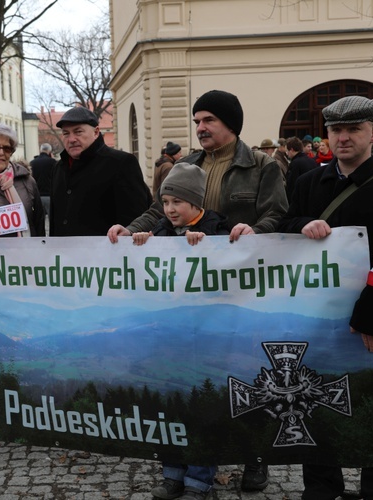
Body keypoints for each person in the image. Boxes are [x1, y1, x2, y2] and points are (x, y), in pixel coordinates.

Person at [108, 89, 288, 492]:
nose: (200, 128)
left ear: (230, 123)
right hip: (189, 293)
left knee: (244, 370)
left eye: (208, 120)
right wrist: (130, 230)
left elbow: (276, 212)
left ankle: (254, 457)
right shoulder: (187, 164)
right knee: (196, 378)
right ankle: (186, 464)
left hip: (240, 287)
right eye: (196, 121)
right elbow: (159, 211)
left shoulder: (261, 165)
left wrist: (252, 232)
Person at [278, 96, 373, 499]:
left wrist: (372, 319)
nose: (342, 137)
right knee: (313, 401)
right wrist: (304, 224)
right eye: (336, 130)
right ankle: (321, 488)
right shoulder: (309, 183)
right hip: (316, 317)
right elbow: (285, 226)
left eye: (353, 129)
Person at [135, 163, 229, 500]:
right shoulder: (161, 229)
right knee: (170, 403)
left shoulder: (216, 226)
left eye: (177, 202)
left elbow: (232, 259)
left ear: (195, 202)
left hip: (204, 337)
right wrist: (144, 241)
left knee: (201, 410)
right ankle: (173, 474)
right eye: (166, 202)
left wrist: (207, 245)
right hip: (169, 337)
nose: (170, 209)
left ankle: (199, 481)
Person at [49, 107, 152, 236]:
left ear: (96, 132)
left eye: (78, 132)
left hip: (109, 252)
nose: (71, 139)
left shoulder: (121, 163)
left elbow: (135, 219)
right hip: (64, 254)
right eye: (66, 133)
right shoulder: (58, 168)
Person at [285, 136, 318, 202]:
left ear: (291, 149)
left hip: (300, 200)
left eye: (287, 150)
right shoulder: (312, 161)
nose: (287, 153)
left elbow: (291, 185)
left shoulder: (295, 163)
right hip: (312, 197)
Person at [30, 143, 57, 218]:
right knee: (53, 219)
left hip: (37, 196)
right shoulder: (53, 162)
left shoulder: (33, 163)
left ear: (40, 150)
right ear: (49, 151)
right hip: (50, 195)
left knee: (39, 219)